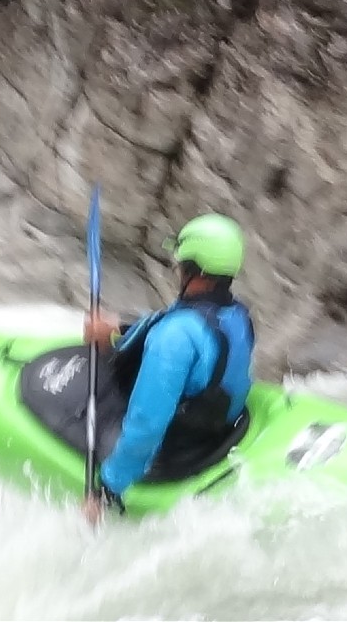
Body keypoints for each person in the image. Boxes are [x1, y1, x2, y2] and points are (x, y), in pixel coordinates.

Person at [80, 212, 255, 525]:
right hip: (220, 426)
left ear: (195, 271)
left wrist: (107, 489)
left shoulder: (174, 337)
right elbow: (184, 329)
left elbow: (147, 425)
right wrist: (117, 330)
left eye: (181, 263)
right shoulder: (238, 316)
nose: (177, 268)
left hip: (179, 445)